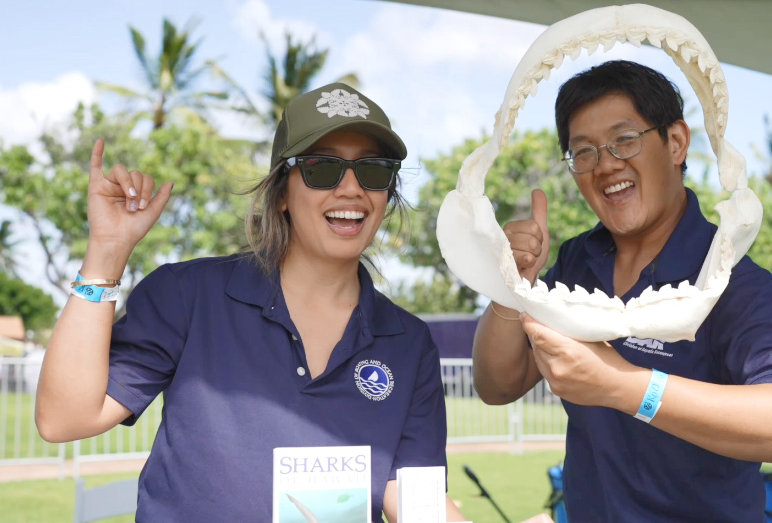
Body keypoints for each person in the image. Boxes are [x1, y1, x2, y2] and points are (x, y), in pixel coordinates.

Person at [35, 83, 472, 522]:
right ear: (281, 193)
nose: (351, 189)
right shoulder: (188, 296)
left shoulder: (408, 343)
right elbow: (63, 419)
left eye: (373, 170)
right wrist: (107, 251)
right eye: (322, 168)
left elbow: (414, 501)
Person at [472, 61, 772, 522]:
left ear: (677, 142)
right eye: (583, 152)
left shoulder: (728, 280)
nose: (606, 164)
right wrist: (513, 283)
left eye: (625, 140)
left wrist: (622, 386)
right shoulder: (577, 262)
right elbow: (497, 385)